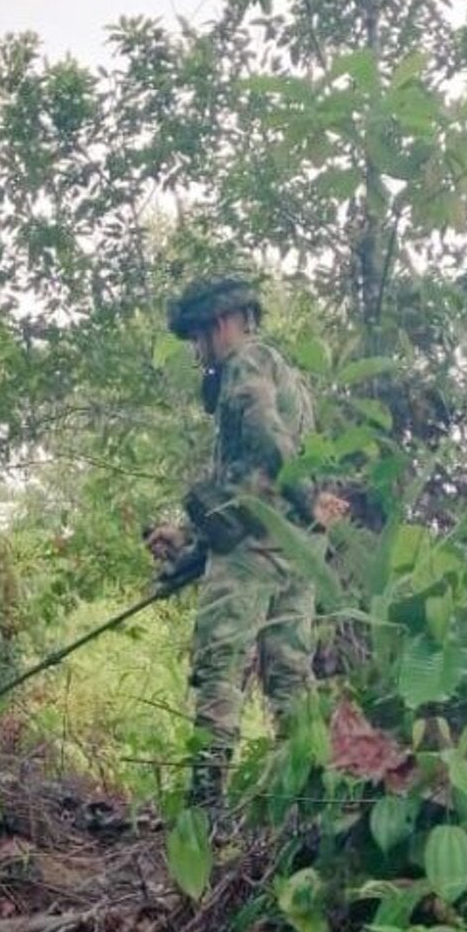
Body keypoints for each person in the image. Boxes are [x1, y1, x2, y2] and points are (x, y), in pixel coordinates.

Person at [146, 275, 348, 810]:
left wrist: (308, 500)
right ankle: (307, 814)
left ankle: (204, 815)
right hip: (296, 555)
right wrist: (188, 547)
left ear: (217, 325)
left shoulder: (246, 364)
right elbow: (253, 486)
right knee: (290, 684)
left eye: (197, 338)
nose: (198, 351)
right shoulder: (292, 378)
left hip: (259, 554)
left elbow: (261, 430)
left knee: (219, 670)